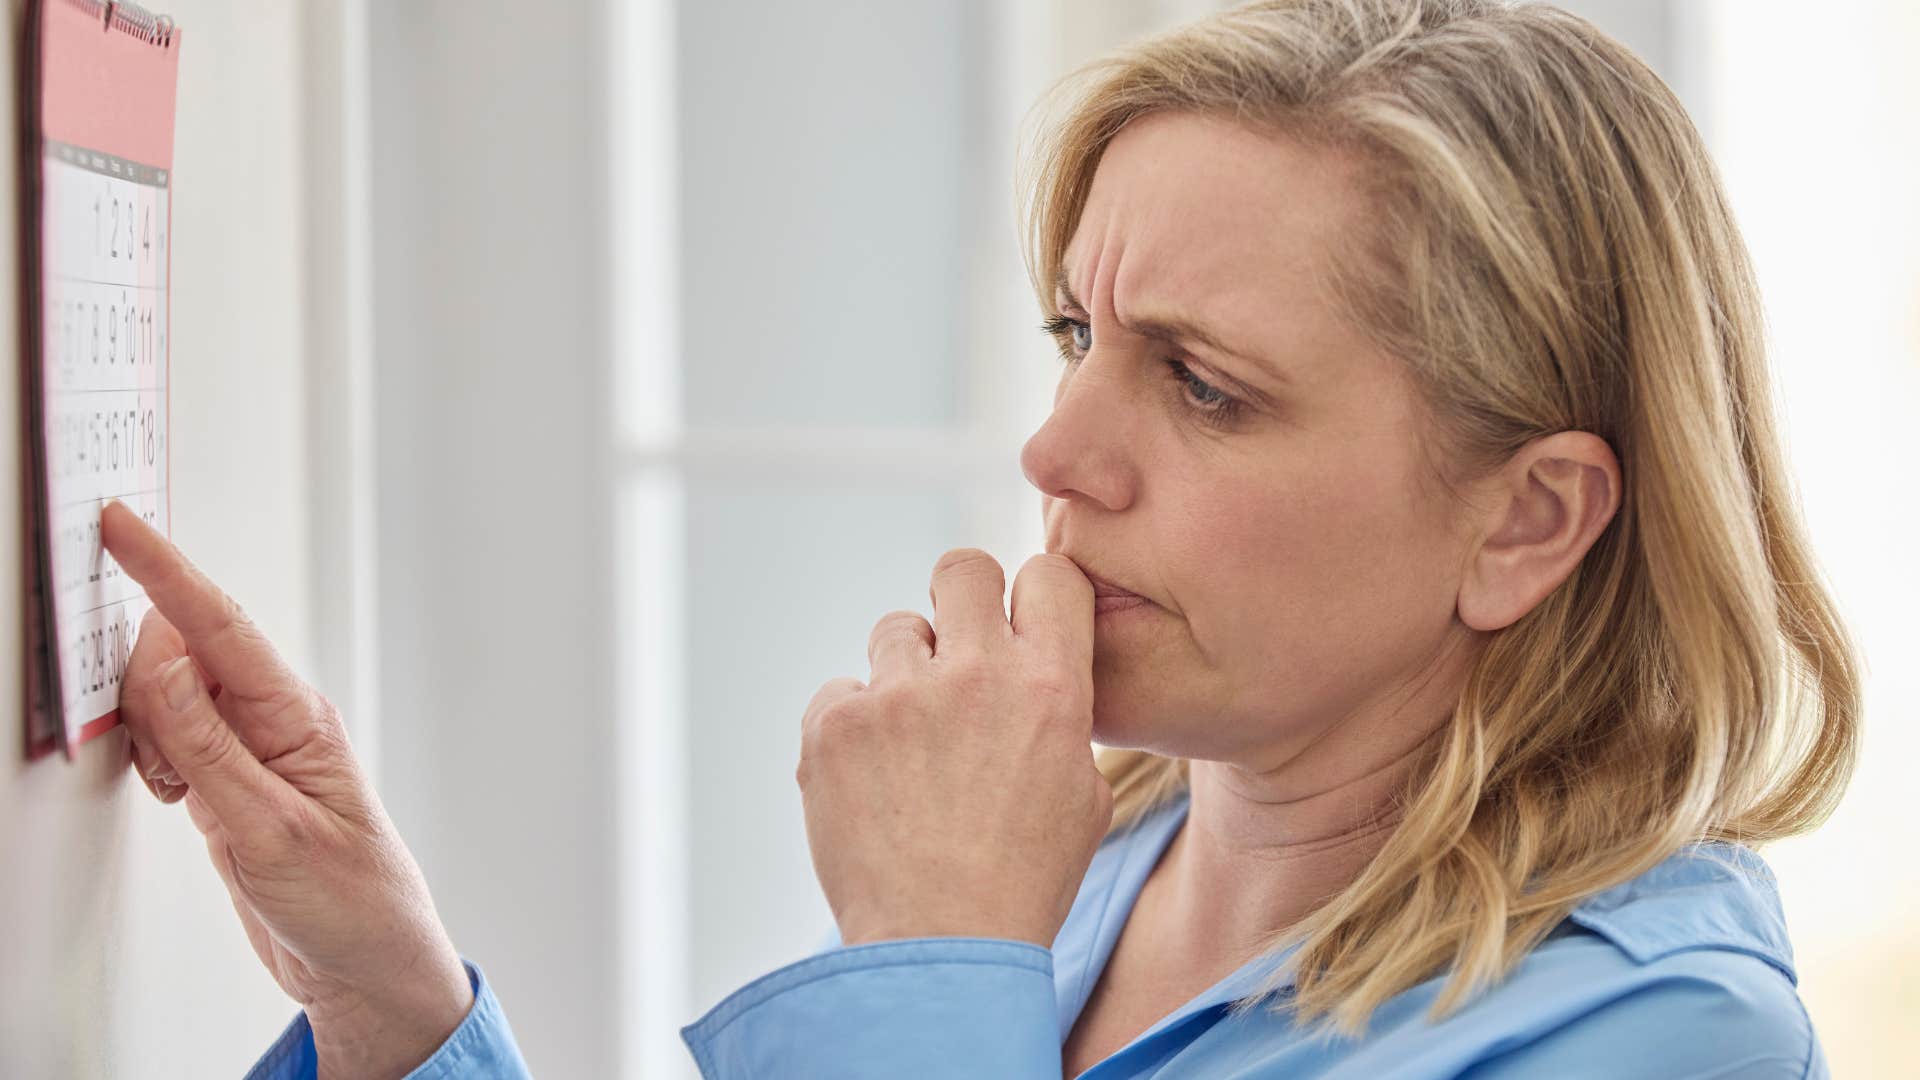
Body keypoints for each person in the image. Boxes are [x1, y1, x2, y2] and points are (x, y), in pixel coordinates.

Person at [102, 0, 1860, 1076]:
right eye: (1078, 338)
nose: (1056, 450)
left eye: (1208, 388)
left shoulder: (1664, 1039)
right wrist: (396, 1010)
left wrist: (941, 965)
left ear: (1527, 519)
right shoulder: (1095, 859)